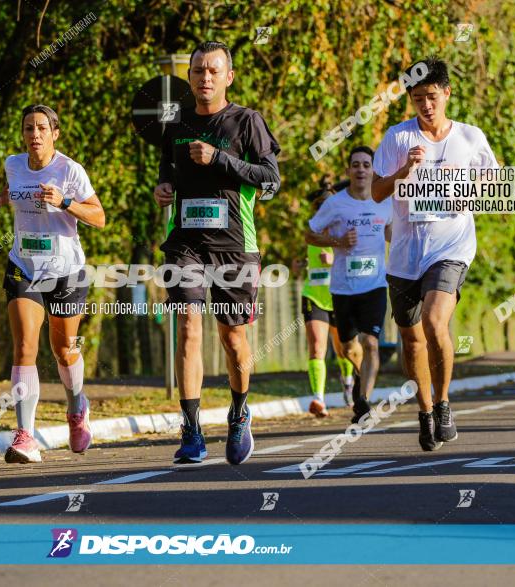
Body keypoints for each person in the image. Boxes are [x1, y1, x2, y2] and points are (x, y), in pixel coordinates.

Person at [153, 41, 281, 465]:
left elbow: (270, 179)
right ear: (189, 78)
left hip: (234, 246)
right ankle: (191, 431)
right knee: (189, 327)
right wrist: (163, 190)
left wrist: (220, 159)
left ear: (228, 77)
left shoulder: (247, 122)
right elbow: (166, 177)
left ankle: (239, 412)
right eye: (197, 71)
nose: (204, 78)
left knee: (232, 338)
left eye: (212, 71)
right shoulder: (175, 125)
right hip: (185, 242)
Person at [371, 57, 498, 451]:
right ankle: (425, 411)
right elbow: (376, 192)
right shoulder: (398, 138)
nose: (425, 105)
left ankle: (443, 403)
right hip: (406, 253)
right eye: (417, 99)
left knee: (434, 320)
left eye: (431, 97)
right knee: (412, 341)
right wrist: (401, 174)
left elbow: (494, 181)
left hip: (452, 245)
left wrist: (470, 185)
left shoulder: (470, 137)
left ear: (446, 93)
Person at [0, 104, 106, 463]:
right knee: (24, 346)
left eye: (41, 128)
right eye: (28, 128)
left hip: (66, 271)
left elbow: (99, 217)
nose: (34, 134)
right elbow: (14, 190)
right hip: (24, 265)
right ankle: (25, 436)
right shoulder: (14, 164)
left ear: (55, 133)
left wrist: (65, 202)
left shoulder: (70, 170)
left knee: (64, 350)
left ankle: (76, 407)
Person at [307, 146, 393, 423]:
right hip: (343, 287)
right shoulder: (335, 204)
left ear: (373, 171)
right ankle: (359, 376)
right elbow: (310, 234)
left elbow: (393, 232)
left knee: (370, 342)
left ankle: (364, 401)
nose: (360, 170)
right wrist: (338, 242)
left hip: (375, 285)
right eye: (355, 164)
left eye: (366, 165)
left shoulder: (385, 202)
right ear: (348, 171)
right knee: (347, 347)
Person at [299, 186, 356, 417]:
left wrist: (333, 259)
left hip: (340, 294)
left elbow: (356, 260)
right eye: (323, 204)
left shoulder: (346, 228)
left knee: (344, 349)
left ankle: (349, 383)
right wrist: (300, 265)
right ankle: (318, 399)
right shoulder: (312, 230)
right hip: (314, 296)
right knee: (316, 348)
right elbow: (305, 259)